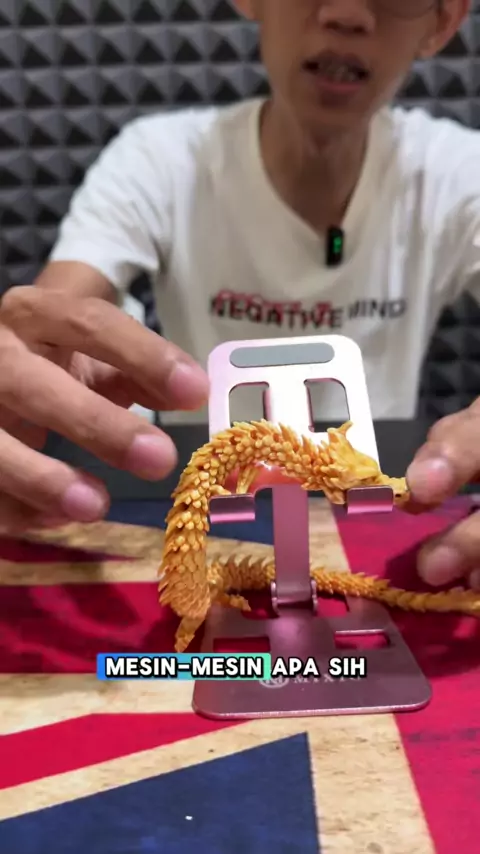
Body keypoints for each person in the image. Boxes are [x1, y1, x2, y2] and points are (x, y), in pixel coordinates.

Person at [0, 0, 478, 590]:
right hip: (210, 510)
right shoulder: (159, 160)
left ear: (442, 22)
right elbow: (56, 315)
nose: (348, 13)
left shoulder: (459, 173)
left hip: (376, 519)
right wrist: (23, 368)